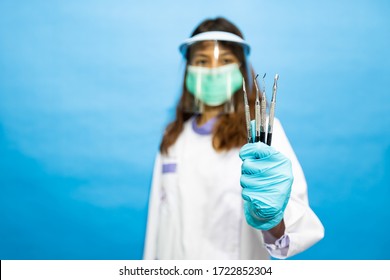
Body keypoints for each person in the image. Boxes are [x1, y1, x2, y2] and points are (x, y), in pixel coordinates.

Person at [143, 17, 324, 260]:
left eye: (225, 61)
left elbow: (298, 227)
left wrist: (273, 216)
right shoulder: (173, 137)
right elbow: (157, 222)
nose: (213, 71)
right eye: (202, 61)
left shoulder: (262, 133)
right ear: (189, 69)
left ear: (240, 70)